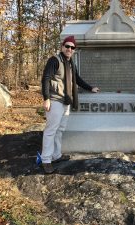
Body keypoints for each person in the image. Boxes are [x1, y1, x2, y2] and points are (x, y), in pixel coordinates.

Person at [41, 36, 100, 174]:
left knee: (60, 130)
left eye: (72, 47)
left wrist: (90, 88)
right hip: (55, 100)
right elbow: (46, 78)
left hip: (66, 101)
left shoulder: (71, 63)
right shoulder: (54, 60)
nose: (69, 49)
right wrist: (46, 98)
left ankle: (56, 156)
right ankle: (46, 160)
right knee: (51, 131)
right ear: (62, 47)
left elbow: (77, 79)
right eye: (67, 46)